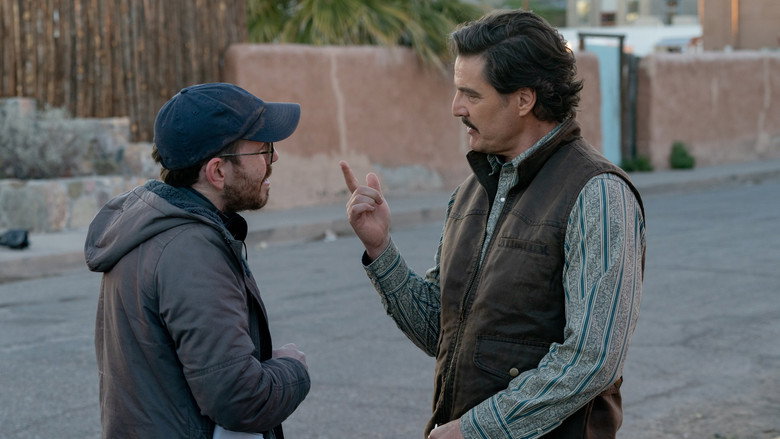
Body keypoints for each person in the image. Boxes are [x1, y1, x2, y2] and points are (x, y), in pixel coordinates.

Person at [340, 9, 645, 439]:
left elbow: (593, 359)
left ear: (523, 100)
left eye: (471, 95)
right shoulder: (472, 190)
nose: (456, 108)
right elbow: (442, 333)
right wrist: (380, 249)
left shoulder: (598, 193)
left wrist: (476, 429)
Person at [85, 83, 310, 438]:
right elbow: (240, 399)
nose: (274, 158)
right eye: (263, 148)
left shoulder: (157, 228)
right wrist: (292, 369)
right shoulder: (190, 251)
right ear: (217, 171)